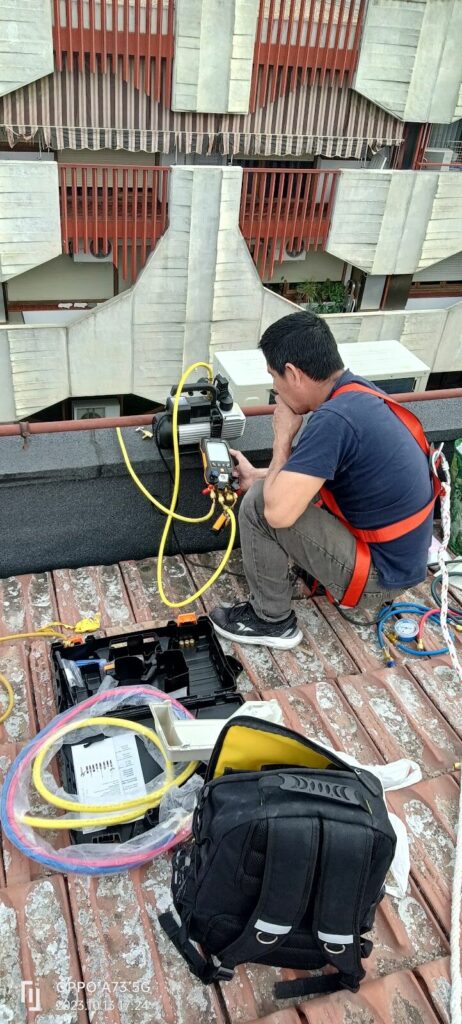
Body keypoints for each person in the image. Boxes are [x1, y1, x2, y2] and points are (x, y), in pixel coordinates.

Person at [210, 311, 435, 650]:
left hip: (378, 577)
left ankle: (272, 621)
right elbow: (312, 478)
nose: (275, 389)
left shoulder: (333, 421)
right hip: (403, 561)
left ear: (293, 373)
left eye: (274, 377)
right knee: (264, 488)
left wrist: (281, 439)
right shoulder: (355, 394)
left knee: (259, 503)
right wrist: (256, 474)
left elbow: (277, 513)